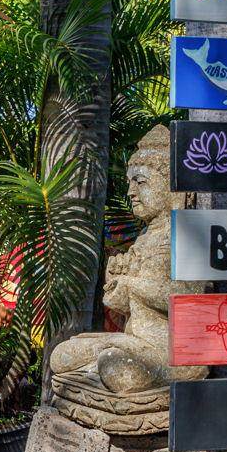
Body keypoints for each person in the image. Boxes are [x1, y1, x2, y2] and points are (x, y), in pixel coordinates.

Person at [47, 125, 206, 394]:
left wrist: (133, 285)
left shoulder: (190, 235)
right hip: (135, 342)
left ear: (174, 190)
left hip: (174, 351)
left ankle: (107, 358)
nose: (131, 192)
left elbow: (193, 299)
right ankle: (107, 355)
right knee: (61, 355)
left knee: (119, 369)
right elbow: (125, 304)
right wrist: (117, 283)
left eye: (141, 182)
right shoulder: (145, 237)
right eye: (130, 183)